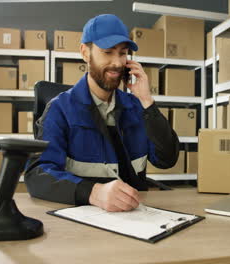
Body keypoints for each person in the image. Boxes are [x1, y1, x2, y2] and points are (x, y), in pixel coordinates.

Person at [25, 14, 179, 212]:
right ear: (85, 52)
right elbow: (38, 174)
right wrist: (93, 192)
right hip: (86, 218)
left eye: (123, 53)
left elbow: (167, 159)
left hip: (136, 214)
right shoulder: (59, 109)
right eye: (107, 52)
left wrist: (147, 102)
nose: (117, 63)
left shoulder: (136, 106)